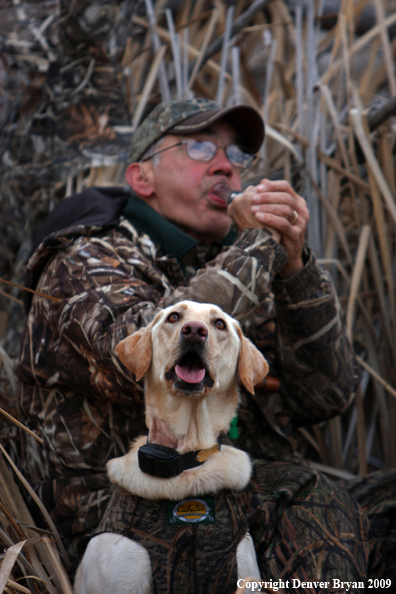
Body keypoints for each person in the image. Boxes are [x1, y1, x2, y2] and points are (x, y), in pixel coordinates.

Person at [16, 98, 386, 589]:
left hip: (232, 496)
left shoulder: (225, 264)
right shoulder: (84, 258)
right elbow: (144, 355)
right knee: (310, 496)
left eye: (236, 156)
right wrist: (261, 243)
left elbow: (325, 396)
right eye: (198, 146)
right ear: (141, 177)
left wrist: (295, 267)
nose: (225, 167)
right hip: (125, 521)